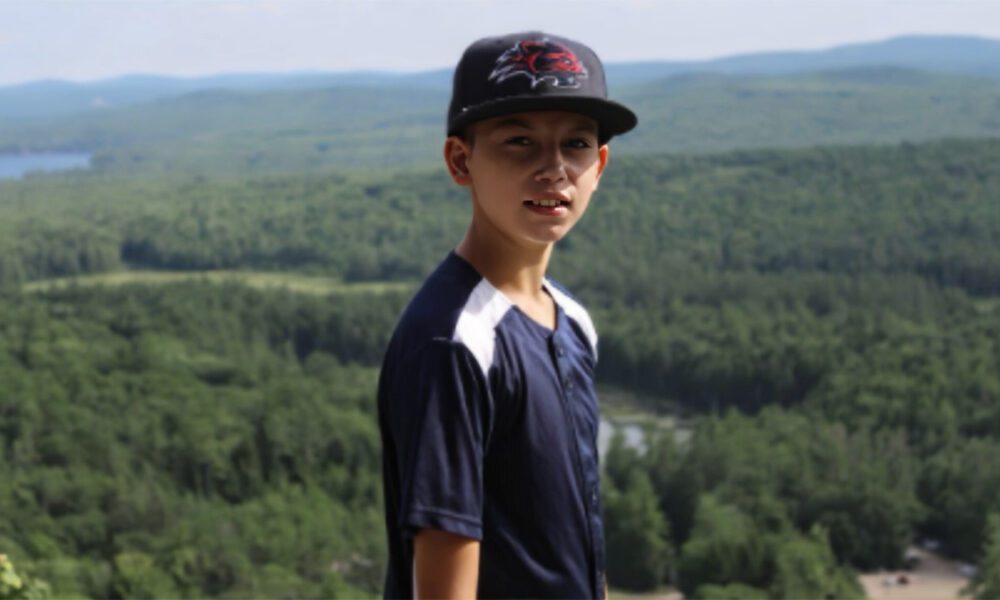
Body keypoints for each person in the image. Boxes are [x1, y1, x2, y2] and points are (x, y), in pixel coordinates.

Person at [377, 31, 637, 599]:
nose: (554, 168)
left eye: (576, 143)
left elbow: (572, 526)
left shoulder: (569, 318)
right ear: (460, 160)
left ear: (601, 164)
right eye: (519, 141)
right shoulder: (455, 341)